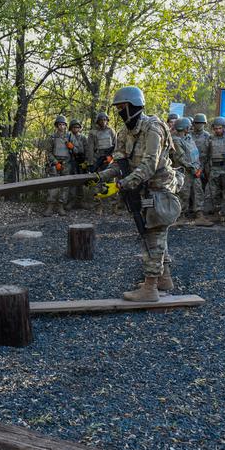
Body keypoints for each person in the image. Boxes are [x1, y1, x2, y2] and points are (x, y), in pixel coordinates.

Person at [89, 86, 181, 302]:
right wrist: (101, 177)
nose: (120, 112)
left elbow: (150, 164)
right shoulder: (124, 133)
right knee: (154, 233)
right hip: (138, 188)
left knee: (153, 234)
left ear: (134, 106)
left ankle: (150, 289)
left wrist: (122, 185)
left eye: (123, 108)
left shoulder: (154, 128)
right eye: (118, 108)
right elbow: (120, 163)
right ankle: (163, 278)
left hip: (159, 188)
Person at [172, 118, 211, 226]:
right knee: (183, 194)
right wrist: (193, 168)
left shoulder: (189, 138)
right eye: (188, 126)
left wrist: (198, 167)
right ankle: (180, 216)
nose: (191, 128)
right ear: (184, 128)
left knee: (198, 192)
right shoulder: (176, 140)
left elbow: (195, 154)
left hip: (195, 171)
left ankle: (199, 215)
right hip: (185, 171)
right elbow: (180, 158)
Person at [42, 115, 71, 216]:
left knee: (65, 186)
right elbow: (48, 152)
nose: (61, 127)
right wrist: (55, 162)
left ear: (65, 126)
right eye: (60, 124)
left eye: (63, 125)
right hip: (55, 164)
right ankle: (50, 206)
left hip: (66, 164)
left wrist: (72, 147)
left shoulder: (70, 137)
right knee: (53, 185)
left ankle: (61, 206)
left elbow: (77, 151)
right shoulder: (52, 137)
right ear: (56, 126)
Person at [65, 119, 89, 209]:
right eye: (74, 127)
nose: (76, 129)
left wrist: (86, 162)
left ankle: (81, 201)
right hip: (71, 162)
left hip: (81, 161)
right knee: (72, 181)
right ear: (71, 128)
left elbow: (87, 150)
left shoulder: (83, 137)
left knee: (81, 181)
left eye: (78, 127)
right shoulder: (68, 136)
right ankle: (71, 201)